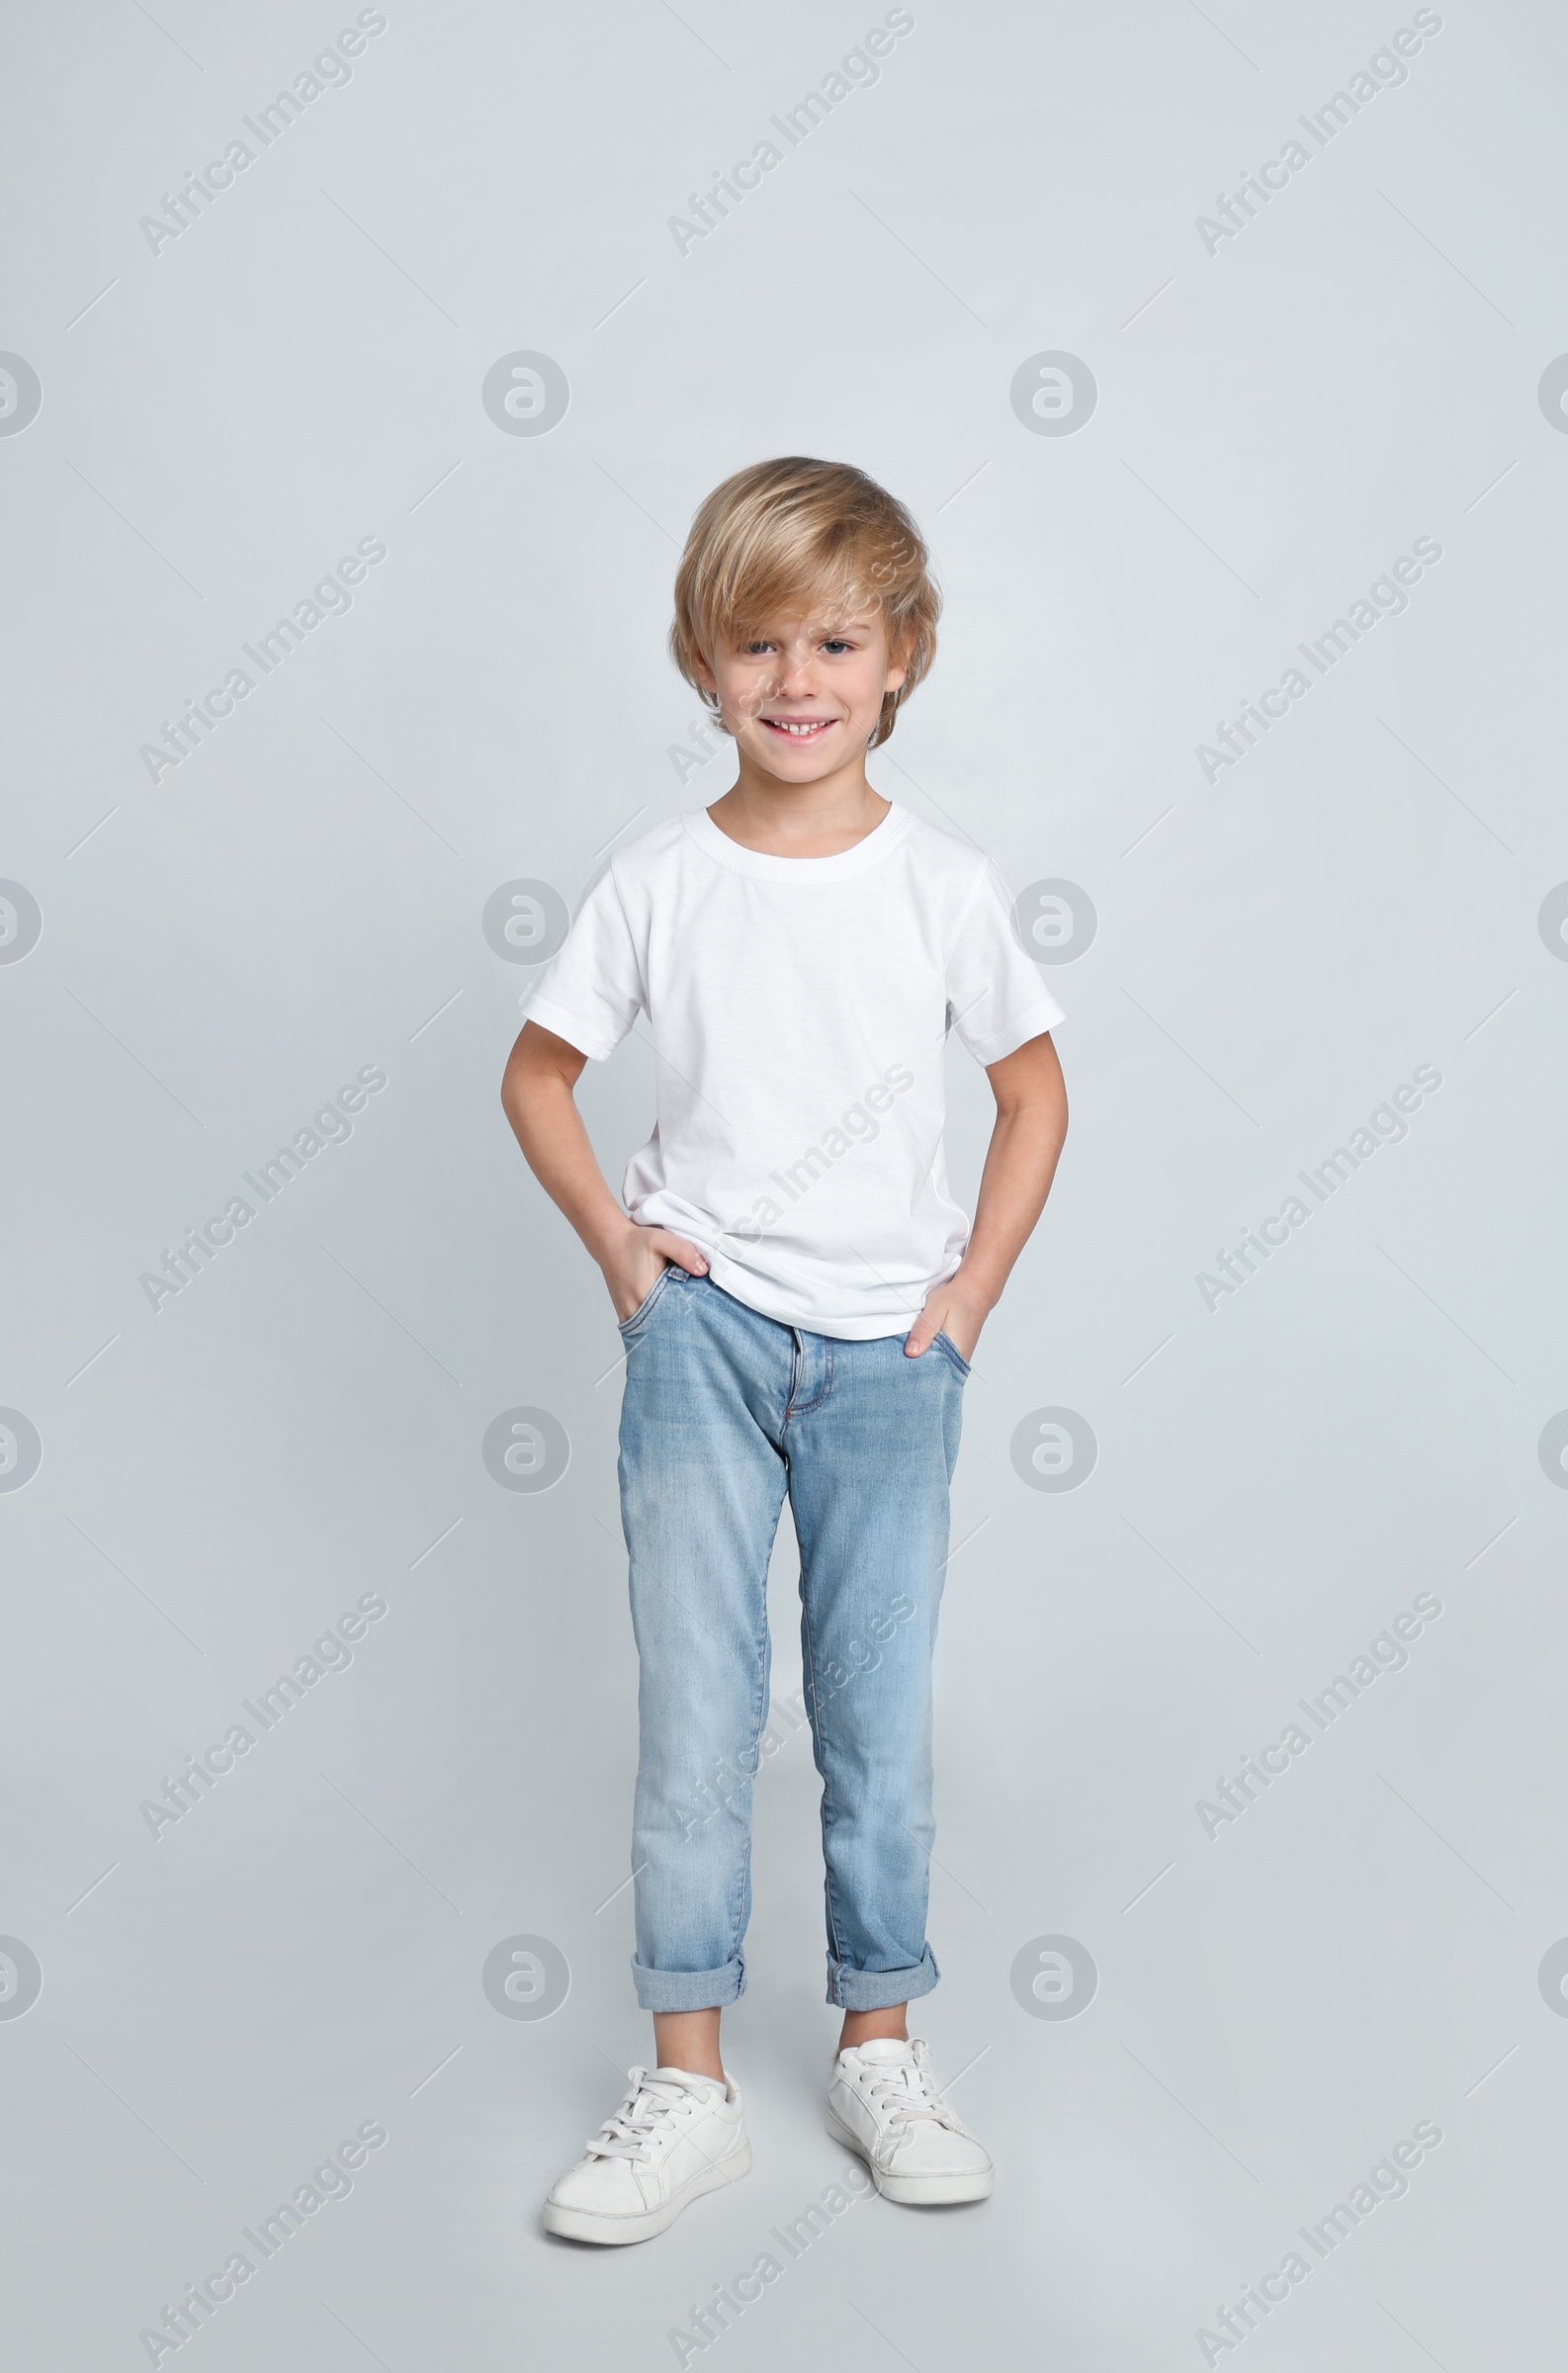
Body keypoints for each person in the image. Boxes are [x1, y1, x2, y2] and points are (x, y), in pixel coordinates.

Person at [500, 456, 1069, 2244]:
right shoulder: (663, 878)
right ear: (702, 663)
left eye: (836, 639)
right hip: (705, 1339)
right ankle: (686, 2083)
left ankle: (878, 2045)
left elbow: (1035, 1092)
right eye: (758, 644)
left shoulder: (944, 885)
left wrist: (967, 1291)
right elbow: (539, 1075)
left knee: (875, 1720)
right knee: (696, 1711)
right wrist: (622, 1250)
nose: (797, 679)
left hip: (893, 1358)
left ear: (902, 655)